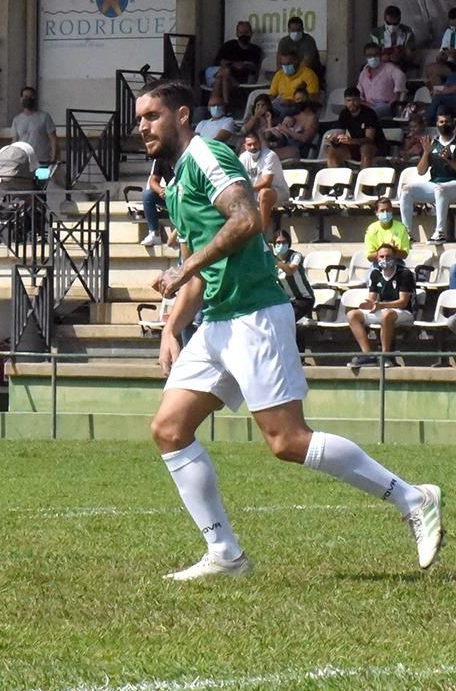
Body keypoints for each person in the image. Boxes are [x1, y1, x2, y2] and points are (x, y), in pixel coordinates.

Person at [135, 78, 442, 582]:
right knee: (169, 429)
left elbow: (246, 220)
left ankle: (414, 497)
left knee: (288, 442)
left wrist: (184, 270)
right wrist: (172, 326)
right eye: (140, 118)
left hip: (255, 315)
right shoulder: (177, 175)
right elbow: (201, 268)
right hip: (218, 321)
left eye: (151, 116)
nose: (142, 126)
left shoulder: (208, 157)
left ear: (182, 114)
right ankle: (226, 555)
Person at [347, 244, 416, 368]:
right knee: (353, 315)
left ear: (395, 257)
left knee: (387, 314)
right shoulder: (375, 274)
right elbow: (372, 298)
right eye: (382, 256)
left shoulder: (405, 274)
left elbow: (403, 302)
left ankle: (385, 356)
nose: (385, 259)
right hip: (383, 309)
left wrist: (381, 305)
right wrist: (369, 304)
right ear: (377, 259)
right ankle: (368, 356)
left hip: (403, 312)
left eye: (388, 256)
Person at [399, 106, 456, 244]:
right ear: (436, 124)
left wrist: (450, 159)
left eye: (447, 122)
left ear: (453, 123)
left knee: (440, 189)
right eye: (441, 122)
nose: (444, 125)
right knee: (407, 190)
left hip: (453, 184)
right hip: (436, 184)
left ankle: (440, 232)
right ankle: (406, 233)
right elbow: (421, 171)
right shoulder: (433, 144)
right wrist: (426, 152)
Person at [238, 131, 290, 230]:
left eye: (255, 143)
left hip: (278, 193)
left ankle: (262, 233)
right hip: (254, 192)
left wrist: (248, 188)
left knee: (264, 193)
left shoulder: (270, 155)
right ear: (245, 146)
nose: (253, 147)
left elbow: (267, 182)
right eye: (249, 145)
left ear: (260, 143)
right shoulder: (243, 158)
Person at [327, 87, 385, 169]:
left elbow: (369, 139)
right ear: (345, 101)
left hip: (375, 146)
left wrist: (351, 141)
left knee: (365, 148)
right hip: (355, 145)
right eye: (348, 101)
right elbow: (341, 133)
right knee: (332, 150)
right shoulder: (344, 113)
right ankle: (337, 179)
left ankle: (364, 179)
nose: (352, 103)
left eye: (354, 100)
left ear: (360, 100)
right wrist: (334, 140)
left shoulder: (369, 113)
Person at [206, 21, 262, 105]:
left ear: (251, 33)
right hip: (216, 71)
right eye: (241, 33)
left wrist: (244, 65)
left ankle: (218, 106)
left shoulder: (255, 50)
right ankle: (223, 106)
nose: (244, 35)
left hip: (229, 78)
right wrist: (234, 64)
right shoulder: (229, 45)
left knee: (222, 79)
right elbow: (220, 62)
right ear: (237, 34)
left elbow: (254, 67)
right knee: (225, 72)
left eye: (246, 32)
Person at [270, 230, 315, 321]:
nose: (281, 245)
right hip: (287, 301)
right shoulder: (272, 262)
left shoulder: (295, 256)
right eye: (278, 242)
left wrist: (277, 261)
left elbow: (290, 271)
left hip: (304, 299)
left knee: (287, 320)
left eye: (284, 242)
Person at [263, 88, 318, 162]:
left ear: (307, 100)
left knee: (266, 155)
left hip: (297, 150)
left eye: (300, 99)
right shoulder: (294, 115)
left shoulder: (312, 118)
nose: (298, 102)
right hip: (282, 144)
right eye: (296, 100)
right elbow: (278, 128)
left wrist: (286, 130)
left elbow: (304, 139)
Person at [11, 86, 58, 169]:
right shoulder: (17, 120)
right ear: (21, 99)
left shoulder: (44, 117)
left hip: (42, 160)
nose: (28, 99)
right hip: (24, 161)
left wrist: (53, 156)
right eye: (25, 96)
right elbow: (15, 140)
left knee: (42, 181)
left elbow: (53, 138)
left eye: (30, 97)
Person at [356, 42, 406, 118]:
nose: (373, 58)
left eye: (376, 54)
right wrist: (362, 102)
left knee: (371, 113)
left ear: (380, 55)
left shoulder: (389, 68)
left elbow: (401, 77)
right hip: (367, 104)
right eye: (369, 55)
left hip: (385, 105)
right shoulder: (363, 73)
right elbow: (358, 91)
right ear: (365, 57)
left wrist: (396, 98)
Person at [267, 48, 319, 117]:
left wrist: (293, 102)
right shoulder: (279, 74)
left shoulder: (308, 74)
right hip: (281, 104)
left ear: (297, 61)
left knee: (286, 114)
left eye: (289, 64)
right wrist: (265, 102)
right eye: (283, 64)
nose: (286, 67)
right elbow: (272, 94)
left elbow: (313, 99)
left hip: (300, 107)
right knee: (266, 111)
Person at [370, 5, 415, 72]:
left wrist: (401, 56)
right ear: (384, 19)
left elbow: (411, 54)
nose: (392, 26)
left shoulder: (407, 32)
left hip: (402, 64)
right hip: (381, 64)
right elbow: (371, 54)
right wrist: (381, 58)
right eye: (388, 23)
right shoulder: (376, 34)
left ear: (399, 19)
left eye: (395, 24)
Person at [364, 196, 410, 261]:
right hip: (378, 264)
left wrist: (394, 251)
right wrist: (385, 252)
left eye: (388, 210)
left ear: (392, 211)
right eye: (382, 211)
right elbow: (369, 257)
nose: (385, 213)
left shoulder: (401, 228)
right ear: (376, 213)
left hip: (397, 263)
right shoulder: (371, 229)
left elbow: (405, 255)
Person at [139, 158, 172, 247]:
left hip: (187, 196)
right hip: (171, 195)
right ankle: (154, 234)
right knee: (148, 195)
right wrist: (160, 190)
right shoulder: (162, 158)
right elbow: (153, 181)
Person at [426, 8, 456, 89]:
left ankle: (440, 95)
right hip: (450, 64)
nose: (454, 29)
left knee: (434, 70)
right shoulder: (448, 32)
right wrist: (441, 57)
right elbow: (443, 50)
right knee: (430, 69)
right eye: (452, 26)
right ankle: (440, 95)